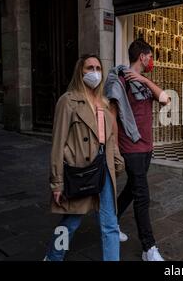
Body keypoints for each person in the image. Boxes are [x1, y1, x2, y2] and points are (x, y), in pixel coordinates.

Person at [44, 54, 125, 261]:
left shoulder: (104, 103)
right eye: (90, 68)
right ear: (81, 71)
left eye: (98, 68)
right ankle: (53, 257)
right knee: (71, 221)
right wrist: (57, 183)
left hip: (104, 168)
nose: (95, 72)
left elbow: (109, 139)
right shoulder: (68, 101)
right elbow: (57, 143)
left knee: (110, 223)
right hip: (80, 170)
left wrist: (117, 160)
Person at [106, 39, 171, 261]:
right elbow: (113, 114)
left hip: (147, 146)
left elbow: (165, 99)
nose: (151, 60)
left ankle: (110, 222)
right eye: (150, 56)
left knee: (132, 189)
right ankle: (148, 248)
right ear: (142, 56)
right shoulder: (120, 80)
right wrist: (114, 146)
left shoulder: (143, 81)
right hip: (130, 146)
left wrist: (143, 78)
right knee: (142, 195)